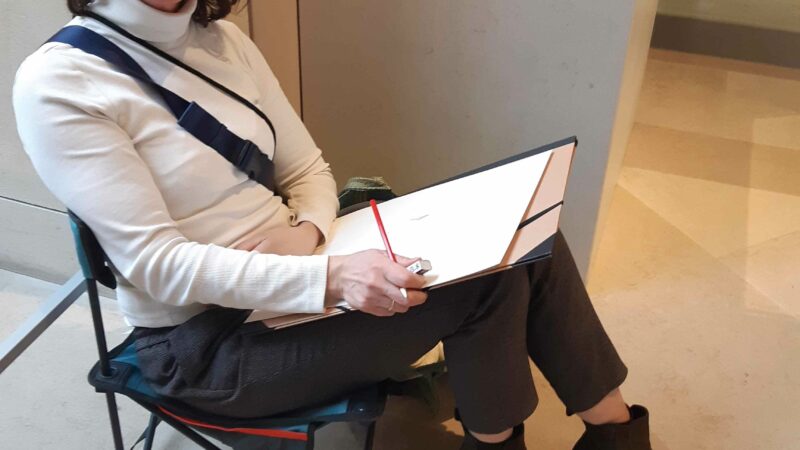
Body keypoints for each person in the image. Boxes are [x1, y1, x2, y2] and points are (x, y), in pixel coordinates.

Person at [12, 1, 651, 448]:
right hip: (206, 342)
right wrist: (331, 279)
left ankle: (614, 430)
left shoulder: (222, 39)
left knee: (525, 231)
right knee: (490, 284)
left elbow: (308, 170)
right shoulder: (59, 81)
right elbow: (156, 266)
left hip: (305, 269)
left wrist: (308, 237)